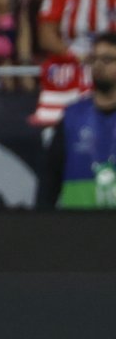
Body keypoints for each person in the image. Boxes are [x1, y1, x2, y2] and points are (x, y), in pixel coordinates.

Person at [39, 32, 116, 209]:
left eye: (107, 59)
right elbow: (50, 176)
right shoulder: (72, 116)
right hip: (78, 225)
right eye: (94, 58)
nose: (98, 65)